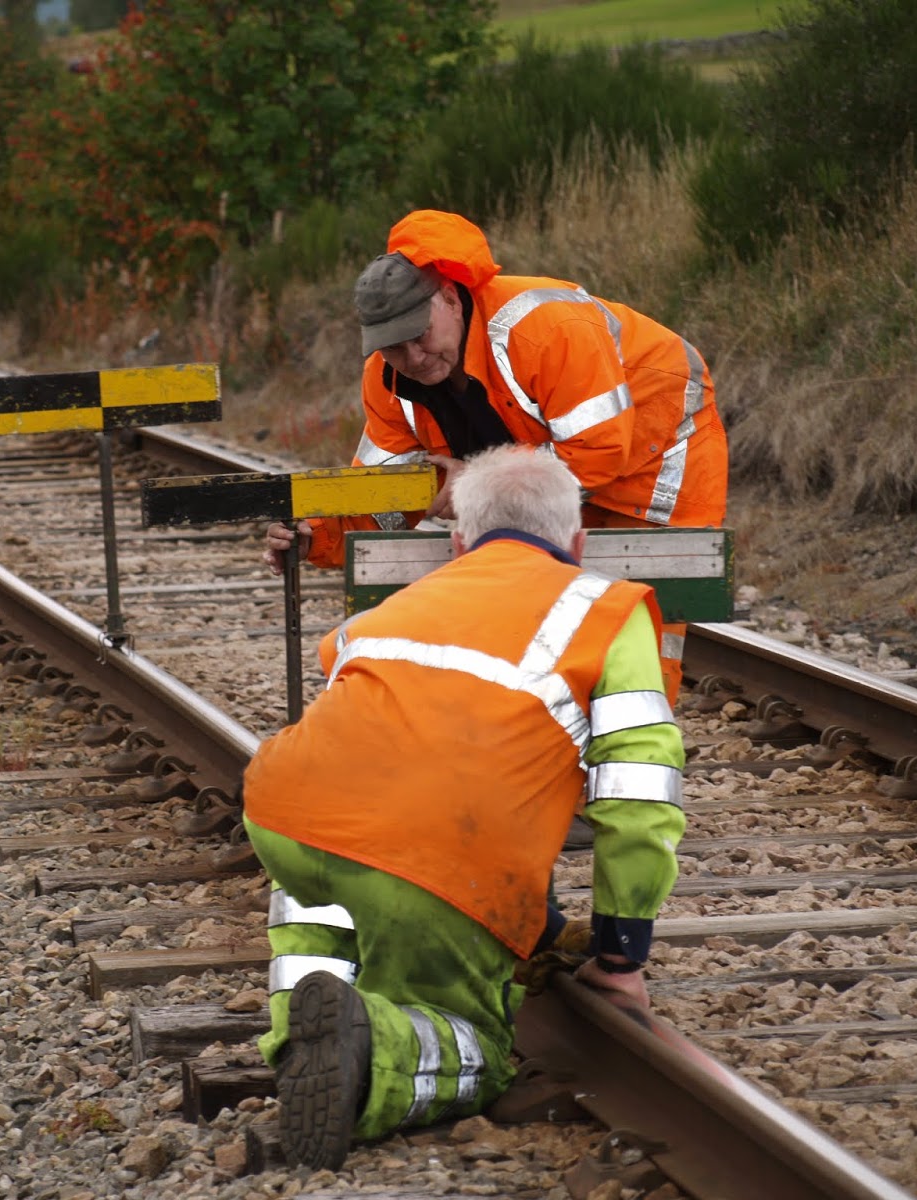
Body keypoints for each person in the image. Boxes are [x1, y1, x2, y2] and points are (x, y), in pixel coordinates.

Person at [243, 443, 686, 1170]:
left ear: (457, 542)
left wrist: (542, 927)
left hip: (286, 816)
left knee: (330, 881)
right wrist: (620, 952)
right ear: (577, 543)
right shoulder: (606, 612)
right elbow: (637, 799)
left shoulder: (396, 608)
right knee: (478, 1044)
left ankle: (299, 1033)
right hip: (430, 859)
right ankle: (373, 1053)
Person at [263, 209, 728, 709]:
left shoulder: (544, 329)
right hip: (540, 482)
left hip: (653, 462)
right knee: (533, 628)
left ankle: (631, 746)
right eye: (394, 348)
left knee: (634, 628)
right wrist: (317, 534)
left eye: (420, 335)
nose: (414, 359)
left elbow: (597, 453)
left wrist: (476, 485)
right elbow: (385, 492)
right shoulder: (387, 382)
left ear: (449, 298)